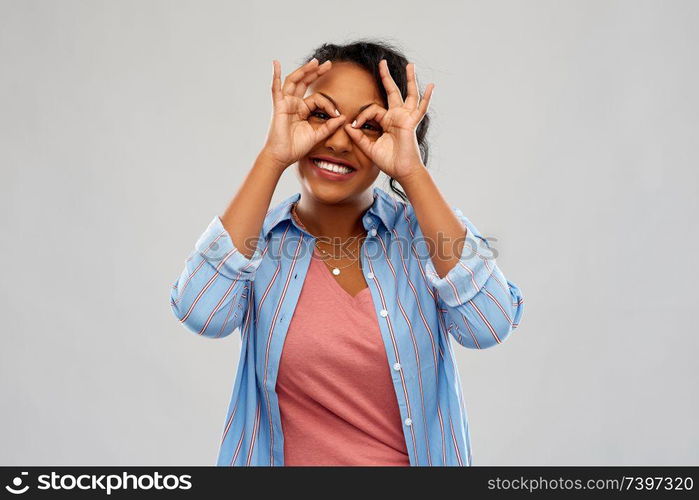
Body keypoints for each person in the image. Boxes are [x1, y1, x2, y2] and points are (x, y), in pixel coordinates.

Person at [169, 40, 525, 466]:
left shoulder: (425, 238)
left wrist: (412, 173)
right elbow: (201, 313)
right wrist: (272, 157)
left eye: (368, 125)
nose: (338, 142)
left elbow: (489, 324)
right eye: (321, 114)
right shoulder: (256, 244)